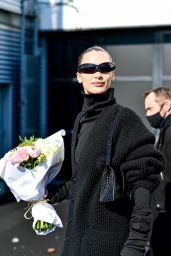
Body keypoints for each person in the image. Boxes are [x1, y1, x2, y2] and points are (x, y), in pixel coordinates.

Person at [49, 46, 164, 256]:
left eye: (105, 67)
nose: (98, 74)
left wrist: (136, 244)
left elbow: (144, 185)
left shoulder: (125, 120)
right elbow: (84, 178)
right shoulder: (81, 120)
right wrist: (50, 195)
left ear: (113, 74)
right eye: (89, 68)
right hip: (75, 241)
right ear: (79, 76)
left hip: (108, 244)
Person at [144, 86, 171, 255]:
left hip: (166, 212)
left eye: (150, 109)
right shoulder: (164, 130)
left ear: (167, 105)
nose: (147, 115)